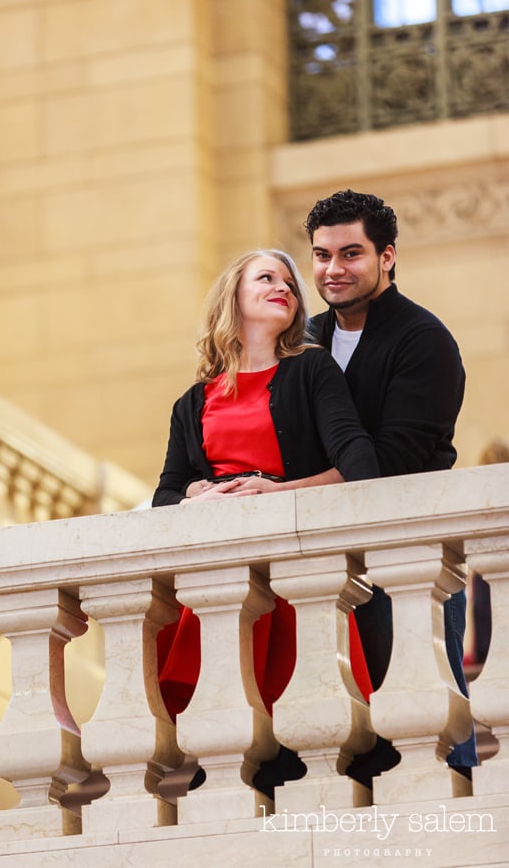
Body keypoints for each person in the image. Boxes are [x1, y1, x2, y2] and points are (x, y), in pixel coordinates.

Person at [152, 248, 380, 792]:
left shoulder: (311, 370)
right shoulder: (191, 403)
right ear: (233, 296)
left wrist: (277, 492)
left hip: (295, 569)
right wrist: (195, 499)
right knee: (228, 732)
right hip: (222, 575)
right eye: (266, 277)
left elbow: (359, 466)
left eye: (290, 283)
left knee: (300, 736)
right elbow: (164, 495)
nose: (284, 287)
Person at [304, 188, 477, 782]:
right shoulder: (303, 339)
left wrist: (283, 490)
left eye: (351, 254)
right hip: (318, 561)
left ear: (388, 255)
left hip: (406, 554)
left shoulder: (424, 340)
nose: (333, 269)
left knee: (425, 708)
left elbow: (394, 461)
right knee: (340, 731)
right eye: (322, 256)